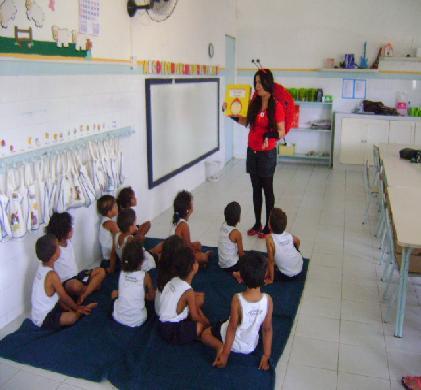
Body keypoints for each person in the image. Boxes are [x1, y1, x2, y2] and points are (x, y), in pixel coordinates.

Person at [224, 69, 285, 239]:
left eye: (259, 82)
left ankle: (268, 226)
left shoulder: (276, 105)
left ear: (267, 83)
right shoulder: (254, 102)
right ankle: (258, 223)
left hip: (267, 155)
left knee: (268, 190)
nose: (256, 86)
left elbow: (281, 131)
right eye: (255, 82)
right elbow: (246, 122)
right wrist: (230, 113)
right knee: (255, 190)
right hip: (252, 152)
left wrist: (268, 135)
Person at [201, 252, 273, 370]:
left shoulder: (237, 299)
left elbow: (232, 328)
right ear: (265, 275)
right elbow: (267, 329)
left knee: (205, 334)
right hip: (250, 346)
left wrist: (225, 354)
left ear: (241, 278)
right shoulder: (268, 300)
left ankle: (219, 346)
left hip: (233, 343)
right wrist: (266, 355)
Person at [31, 234, 97, 330]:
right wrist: (77, 308)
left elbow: (58, 296)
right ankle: (79, 313)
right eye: (58, 247)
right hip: (43, 318)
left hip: (41, 311)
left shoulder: (42, 265)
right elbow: (64, 296)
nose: (60, 248)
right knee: (72, 318)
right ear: (54, 255)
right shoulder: (52, 275)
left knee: (66, 304)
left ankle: (71, 310)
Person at [45, 212, 106, 304]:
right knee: (75, 286)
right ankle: (90, 288)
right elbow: (50, 272)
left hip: (78, 276)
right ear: (63, 231)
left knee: (101, 271)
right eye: (70, 228)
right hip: (67, 283)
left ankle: (84, 293)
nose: (72, 229)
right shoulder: (55, 249)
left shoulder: (68, 241)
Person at [158, 247, 210, 344]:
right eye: (195, 261)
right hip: (171, 330)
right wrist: (206, 323)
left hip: (162, 324)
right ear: (193, 267)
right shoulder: (188, 291)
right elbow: (195, 316)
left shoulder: (174, 279)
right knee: (200, 326)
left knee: (200, 297)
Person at [112, 240, 155, 327]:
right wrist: (144, 295)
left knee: (114, 293)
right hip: (139, 320)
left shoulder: (122, 273)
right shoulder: (145, 276)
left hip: (118, 317)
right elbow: (151, 297)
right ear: (142, 262)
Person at [171, 190, 210, 266]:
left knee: (198, 245)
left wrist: (190, 211)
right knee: (202, 257)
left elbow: (185, 244)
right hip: (177, 259)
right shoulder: (184, 225)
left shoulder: (177, 219)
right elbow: (188, 247)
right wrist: (199, 254)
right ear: (188, 208)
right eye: (191, 203)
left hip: (175, 252)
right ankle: (204, 257)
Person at [265, 208, 303, 284]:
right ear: (285, 226)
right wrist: (296, 249)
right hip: (299, 268)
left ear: (269, 225)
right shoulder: (289, 235)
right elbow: (298, 241)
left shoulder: (269, 239)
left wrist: (271, 279)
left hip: (286, 276)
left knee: (266, 261)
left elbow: (271, 261)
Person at [155, 234, 185, 316]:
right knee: (200, 299)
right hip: (171, 315)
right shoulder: (181, 274)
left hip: (158, 309)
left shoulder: (162, 268)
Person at [217, 201, 244, 281]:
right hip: (232, 265)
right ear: (238, 218)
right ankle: (237, 273)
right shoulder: (236, 233)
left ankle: (234, 273)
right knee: (251, 261)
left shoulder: (223, 225)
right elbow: (241, 253)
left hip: (221, 263)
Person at [97, 195, 119, 273]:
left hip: (111, 254)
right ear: (109, 212)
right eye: (115, 206)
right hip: (110, 258)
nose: (117, 207)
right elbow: (120, 239)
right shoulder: (110, 223)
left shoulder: (107, 220)